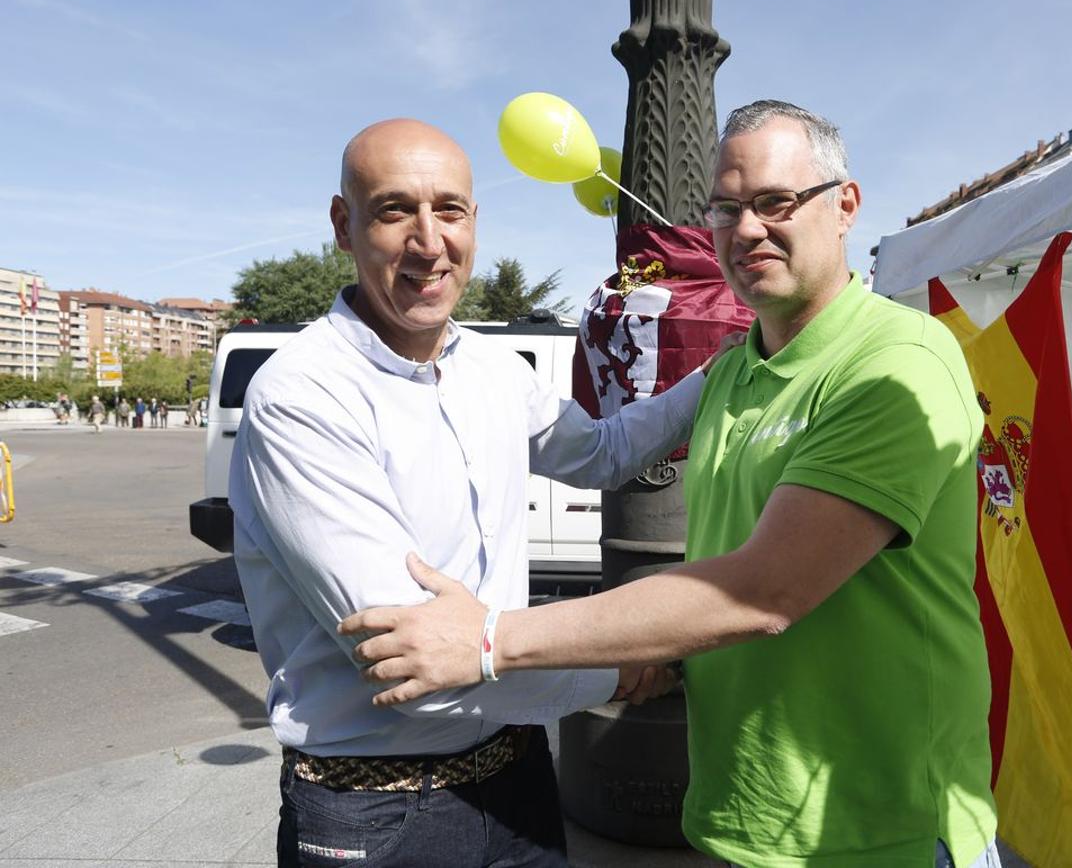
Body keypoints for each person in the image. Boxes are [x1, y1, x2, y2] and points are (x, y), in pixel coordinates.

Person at [341, 101, 1000, 868]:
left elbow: (767, 589)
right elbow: (625, 467)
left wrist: (492, 639)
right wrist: (642, 651)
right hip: (745, 819)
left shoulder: (896, 362)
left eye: (775, 202)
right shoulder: (734, 368)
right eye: (726, 207)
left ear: (844, 205)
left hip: (880, 833)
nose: (746, 229)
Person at [230, 118, 711, 867]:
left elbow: (606, 453)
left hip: (516, 779)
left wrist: (723, 371)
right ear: (342, 226)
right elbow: (415, 663)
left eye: (449, 209)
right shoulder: (302, 395)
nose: (429, 241)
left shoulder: (491, 367)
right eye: (395, 210)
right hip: (377, 816)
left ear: (474, 223)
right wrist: (620, 665)